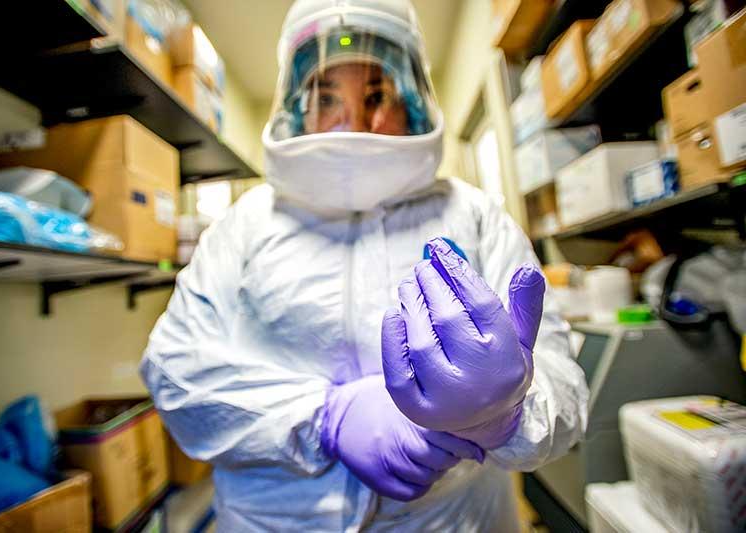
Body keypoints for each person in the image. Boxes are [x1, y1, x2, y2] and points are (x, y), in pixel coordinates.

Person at [140, 0, 589, 530]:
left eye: (378, 95)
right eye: (326, 96)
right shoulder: (245, 224)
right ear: (298, 108)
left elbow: (564, 387)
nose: (353, 120)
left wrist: (505, 413)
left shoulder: (472, 213)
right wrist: (325, 420)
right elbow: (174, 369)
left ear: (413, 103)